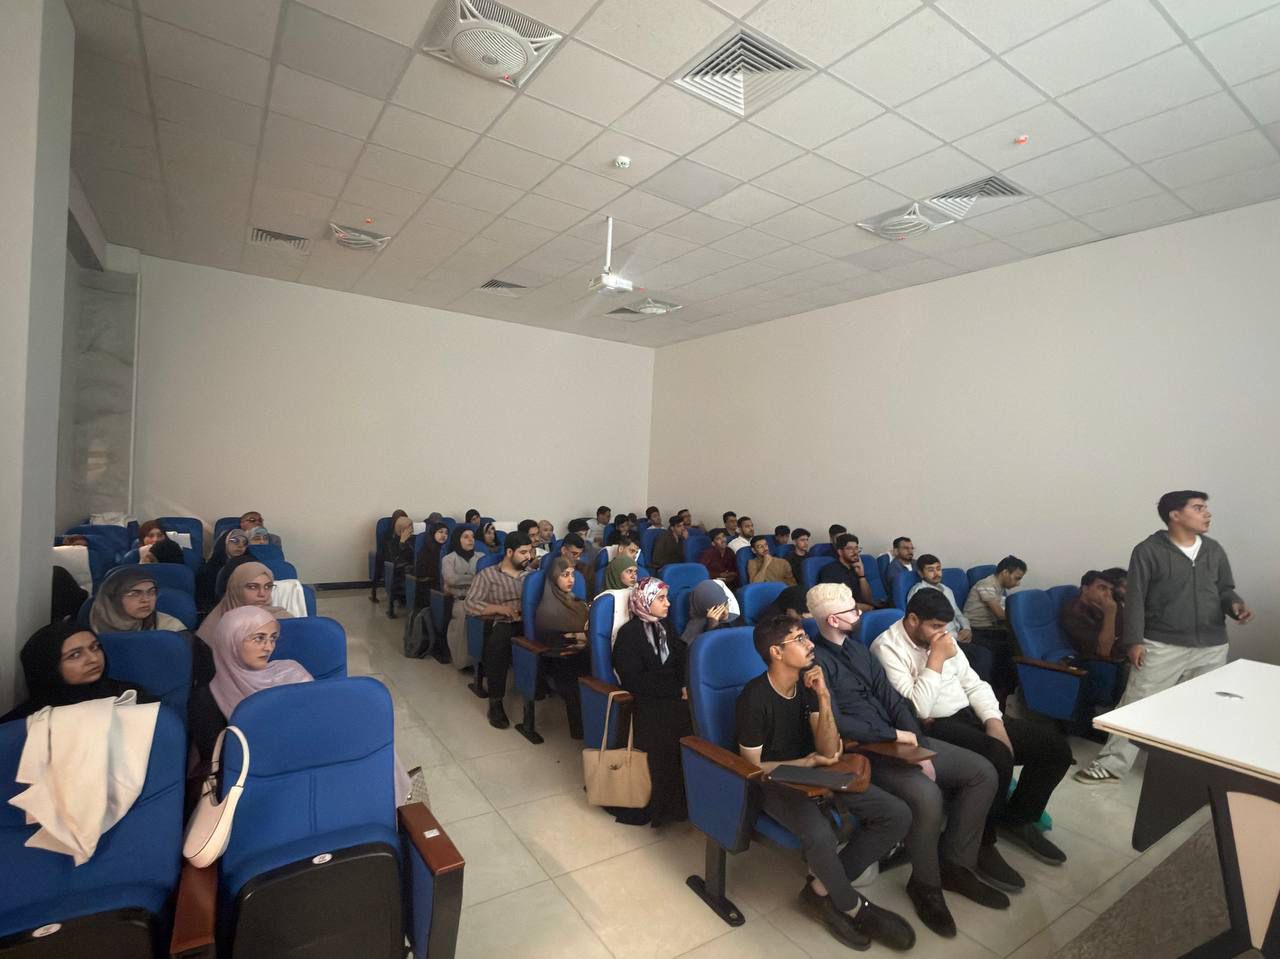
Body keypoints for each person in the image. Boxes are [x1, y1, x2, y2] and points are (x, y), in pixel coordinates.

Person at [808, 583, 1005, 938]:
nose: (859, 613)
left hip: (898, 739)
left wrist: (916, 742)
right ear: (834, 620)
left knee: (983, 772)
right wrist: (895, 736)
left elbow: (894, 701)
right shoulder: (816, 662)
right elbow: (837, 722)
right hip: (864, 749)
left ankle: (955, 864)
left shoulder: (859, 650)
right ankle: (926, 885)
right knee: (926, 795)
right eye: (852, 610)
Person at [873, 590, 1073, 890]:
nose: (942, 634)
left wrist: (994, 721)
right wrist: (936, 658)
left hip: (971, 713)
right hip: (935, 725)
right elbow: (917, 708)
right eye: (935, 627)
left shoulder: (942, 638)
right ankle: (982, 842)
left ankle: (1017, 818)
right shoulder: (887, 647)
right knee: (997, 756)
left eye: (944, 627)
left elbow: (974, 684)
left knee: (1055, 749)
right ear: (913, 620)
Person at [737, 615, 915, 952]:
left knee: (897, 814)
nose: (810, 645)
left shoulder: (808, 684)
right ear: (776, 652)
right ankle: (852, 906)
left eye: (806, 637)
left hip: (817, 773)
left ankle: (820, 889)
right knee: (819, 833)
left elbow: (830, 751)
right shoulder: (754, 698)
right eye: (800, 639)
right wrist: (803, 763)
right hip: (773, 781)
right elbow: (752, 766)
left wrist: (824, 698)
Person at [1077, 491, 1252, 784]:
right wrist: (1134, 640)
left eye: (1205, 508)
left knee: (1204, 708)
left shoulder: (1213, 550)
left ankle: (1191, 773)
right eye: (1198, 508)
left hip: (1211, 645)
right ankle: (1111, 765)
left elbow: (1224, 589)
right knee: (1137, 704)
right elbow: (1136, 598)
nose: (1207, 513)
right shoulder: (1148, 551)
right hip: (1162, 643)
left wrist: (1235, 605)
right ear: (1175, 515)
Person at [612, 577, 691, 827]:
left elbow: (681, 659)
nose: (668, 604)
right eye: (661, 598)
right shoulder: (629, 634)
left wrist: (685, 685)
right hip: (645, 700)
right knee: (665, 733)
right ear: (644, 601)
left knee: (693, 726)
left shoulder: (665, 626)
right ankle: (661, 808)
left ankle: (685, 804)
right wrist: (675, 690)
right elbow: (633, 679)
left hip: (673, 695)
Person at [1, 622, 158, 723]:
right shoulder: (25, 723)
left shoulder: (131, 697)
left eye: (95, 647)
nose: (93, 659)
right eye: (75, 655)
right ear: (49, 668)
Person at [464, 531, 534, 729]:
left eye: (530, 552)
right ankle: (495, 702)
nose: (528, 557)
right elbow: (470, 604)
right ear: (509, 552)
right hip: (504, 622)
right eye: (523, 553)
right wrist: (499, 609)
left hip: (529, 622)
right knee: (499, 643)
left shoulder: (531, 576)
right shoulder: (488, 575)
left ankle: (537, 691)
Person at [907, 554, 990, 679]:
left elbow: (957, 613)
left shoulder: (947, 590)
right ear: (921, 573)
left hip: (959, 634)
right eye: (931, 570)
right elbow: (926, 626)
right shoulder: (919, 593)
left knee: (994, 645)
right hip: (943, 639)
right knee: (983, 655)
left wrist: (967, 628)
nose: (936, 573)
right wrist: (956, 637)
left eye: (938, 569)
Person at [533, 557, 590, 739]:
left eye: (572, 575)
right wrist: (581, 637)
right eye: (565, 575)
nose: (571, 580)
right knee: (575, 676)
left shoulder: (578, 602)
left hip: (581, 652)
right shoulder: (547, 609)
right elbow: (553, 642)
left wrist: (583, 638)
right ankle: (581, 731)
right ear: (554, 577)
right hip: (558, 659)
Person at [961, 556, 1027, 710]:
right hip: (978, 630)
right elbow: (1000, 614)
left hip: (992, 629)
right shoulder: (986, 585)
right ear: (1005, 573)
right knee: (1007, 650)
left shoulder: (999, 587)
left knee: (1016, 646)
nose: (1018, 583)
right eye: (1017, 578)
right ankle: (997, 694)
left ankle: (1009, 692)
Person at [198, 561, 292, 646]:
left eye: (268, 586)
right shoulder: (214, 627)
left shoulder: (283, 618)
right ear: (236, 590)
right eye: (252, 587)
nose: (262, 594)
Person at [90, 567, 188, 635]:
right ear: (114, 598)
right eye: (134, 594)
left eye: (152, 592)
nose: (146, 600)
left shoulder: (170, 628)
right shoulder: (89, 627)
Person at [1061, 570, 1124, 661]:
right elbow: (1103, 652)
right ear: (1085, 589)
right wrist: (1110, 614)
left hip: (1127, 655)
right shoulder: (1073, 613)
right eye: (1102, 588)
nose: (1108, 594)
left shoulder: (1105, 605)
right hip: (1095, 662)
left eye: (1111, 590)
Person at [441, 525, 479, 667]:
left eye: (472, 537)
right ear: (458, 539)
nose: (471, 540)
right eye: (466, 537)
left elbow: (487, 578)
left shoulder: (481, 557)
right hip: (460, 600)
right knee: (464, 614)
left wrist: (461, 580)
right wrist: (475, 578)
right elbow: (451, 579)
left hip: (481, 598)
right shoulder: (449, 559)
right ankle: (464, 661)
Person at [817, 534, 875, 610]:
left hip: (861, 609)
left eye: (856, 548)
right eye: (850, 549)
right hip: (844, 611)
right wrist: (866, 608)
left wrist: (862, 576)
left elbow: (868, 599)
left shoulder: (856, 568)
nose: (855, 552)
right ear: (840, 552)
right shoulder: (830, 571)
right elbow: (833, 603)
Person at [680, 578, 742, 645]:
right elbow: (712, 647)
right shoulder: (693, 631)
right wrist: (712, 626)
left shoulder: (733, 617)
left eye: (725, 605)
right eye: (717, 610)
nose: (725, 612)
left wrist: (726, 619)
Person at [382, 515, 416, 610]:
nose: (412, 530)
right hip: (400, 573)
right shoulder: (391, 542)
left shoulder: (412, 540)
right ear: (402, 530)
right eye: (410, 528)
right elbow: (395, 560)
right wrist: (402, 543)